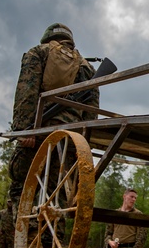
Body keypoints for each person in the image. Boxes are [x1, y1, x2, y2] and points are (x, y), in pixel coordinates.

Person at [8, 23, 99, 206]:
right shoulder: (87, 67)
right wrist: (82, 145)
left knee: (22, 187)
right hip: (69, 138)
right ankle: (50, 233)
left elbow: (26, 92)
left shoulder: (38, 52)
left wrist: (24, 130)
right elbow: (91, 110)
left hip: (40, 131)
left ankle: (23, 231)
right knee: (57, 197)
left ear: (47, 38)